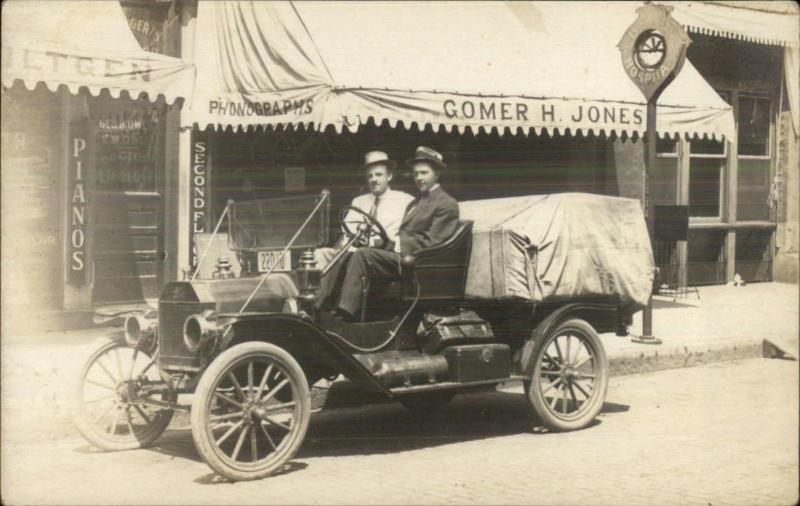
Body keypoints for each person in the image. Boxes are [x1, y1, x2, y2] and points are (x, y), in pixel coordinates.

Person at [329, 146, 459, 321]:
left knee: (363, 255)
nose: (419, 178)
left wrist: (396, 245)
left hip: (417, 263)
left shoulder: (445, 203)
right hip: (401, 256)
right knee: (347, 254)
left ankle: (345, 314)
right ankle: (321, 306)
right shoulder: (420, 201)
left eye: (424, 173)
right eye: (416, 174)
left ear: (436, 174)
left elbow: (434, 243)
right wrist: (386, 243)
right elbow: (406, 234)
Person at [314, 151, 413, 309]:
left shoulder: (404, 200)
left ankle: (345, 311)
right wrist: (349, 244)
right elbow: (347, 234)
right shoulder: (358, 201)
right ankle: (314, 304)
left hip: (384, 255)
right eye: (370, 176)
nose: (374, 179)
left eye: (379, 175)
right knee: (321, 254)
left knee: (361, 254)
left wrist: (380, 242)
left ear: (389, 176)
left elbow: (406, 237)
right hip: (355, 251)